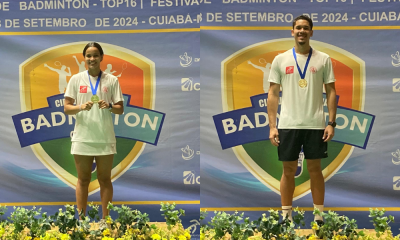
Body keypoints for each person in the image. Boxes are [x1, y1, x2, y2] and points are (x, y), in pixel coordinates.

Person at [267, 15, 337, 224]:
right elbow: (272, 93)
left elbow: (331, 91)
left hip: (316, 124)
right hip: (288, 124)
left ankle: (319, 218)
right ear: (292, 31)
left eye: (306, 28)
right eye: (298, 28)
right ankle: (286, 218)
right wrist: (272, 126)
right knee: (288, 171)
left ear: (311, 32)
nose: (301, 31)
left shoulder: (323, 59)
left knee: (315, 170)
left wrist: (331, 123)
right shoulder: (280, 59)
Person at [64, 42, 124, 220]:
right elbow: (67, 108)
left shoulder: (112, 80)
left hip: (105, 137)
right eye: (89, 55)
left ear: (101, 57)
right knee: (83, 180)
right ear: (84, 58)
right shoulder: (76, 79)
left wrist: (110, 106)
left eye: (95, 55)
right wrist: (81, 106)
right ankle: (81, 221)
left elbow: (120, 108)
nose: (92, 59)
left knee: (105, 180)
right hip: (82, 137)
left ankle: (106, 221)